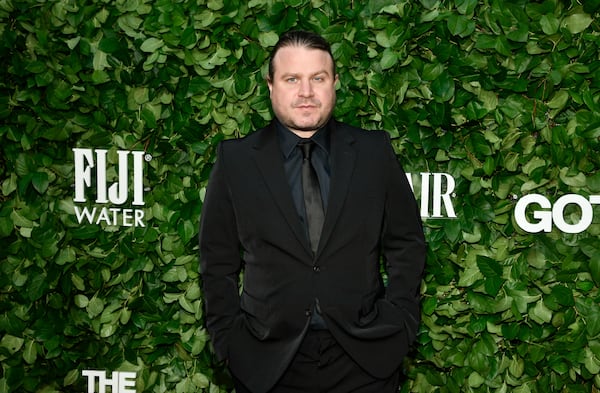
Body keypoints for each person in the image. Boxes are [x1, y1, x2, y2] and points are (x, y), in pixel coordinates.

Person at [199, 30, 426, 393]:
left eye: (317, 78)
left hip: (365, 360)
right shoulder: (236, 160)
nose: (306, 92)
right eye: (292, 79)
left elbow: (406, 243)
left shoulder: (373, 153)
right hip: (266, 363)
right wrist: (229, 341)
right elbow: (217, 260)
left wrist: (400, 322)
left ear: (334, 83)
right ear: (271, 86)